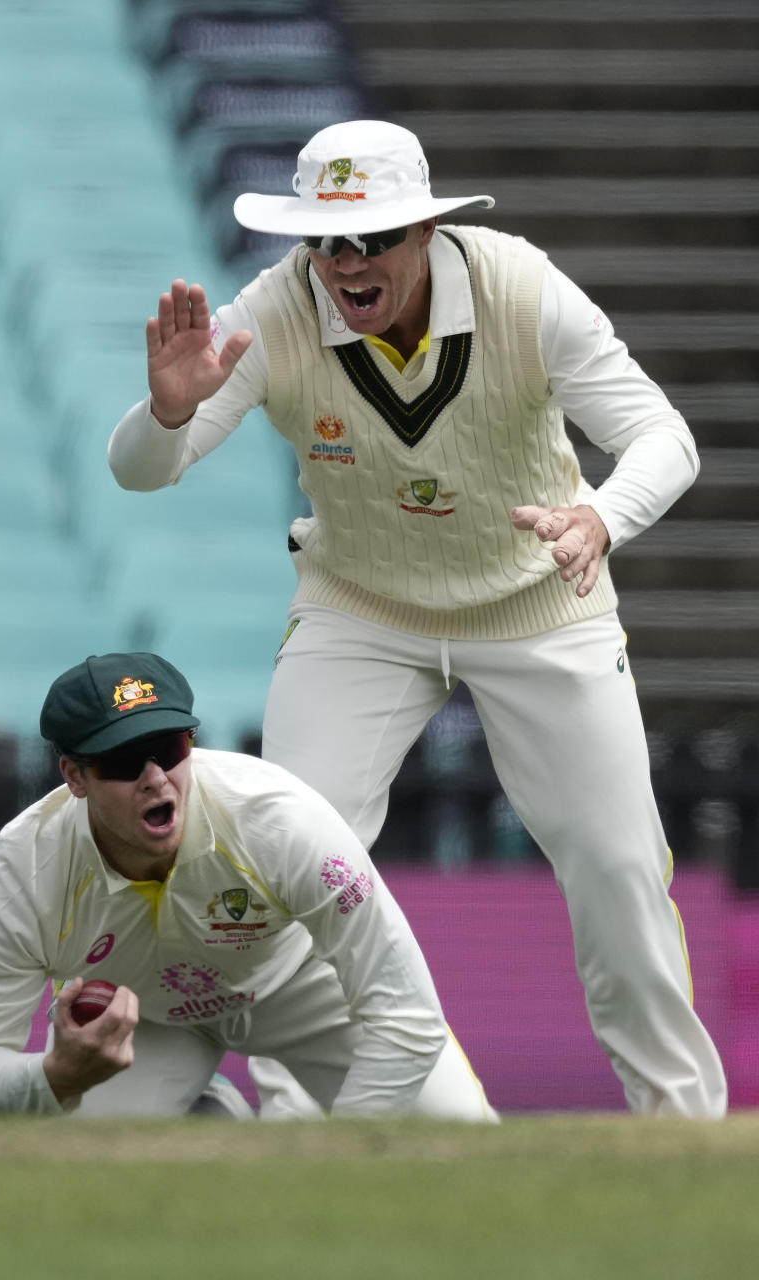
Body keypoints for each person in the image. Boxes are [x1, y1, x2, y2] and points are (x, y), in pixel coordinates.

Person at [107, 119, 727, 1119]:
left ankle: (683, 1126)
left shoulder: (524, 290)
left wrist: (600, 518)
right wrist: (168, 413)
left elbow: (665, 436)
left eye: (375, 239)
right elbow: (140, 472)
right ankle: (293, 1122)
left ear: (428, 229)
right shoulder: (273, 313)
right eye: (329, 241)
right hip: (361, 608)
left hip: (540, 600)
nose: (349, 264)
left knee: (617, 865)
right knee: (294, 852)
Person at [0, 650, 496, 1120]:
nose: (156, 777)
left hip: (302, 988)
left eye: (172, 747)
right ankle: (207, 1118)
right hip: (146, 1022)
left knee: (458, 1129)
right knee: (82, 1170)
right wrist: (53, 1074)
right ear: (75, 776)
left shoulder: (281, 820)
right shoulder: (20, 873)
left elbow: (408, 1018)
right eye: (126, 760)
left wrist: (341, 1158)